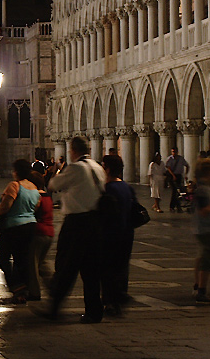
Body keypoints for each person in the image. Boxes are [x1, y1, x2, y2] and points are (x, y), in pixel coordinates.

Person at [35, 136, 106, 323]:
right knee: (91, 270)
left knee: (66, 267)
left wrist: (59, 170)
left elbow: (53, 185)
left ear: (72, 151)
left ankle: (54, 309)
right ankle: (94, 311)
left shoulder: (75, 168)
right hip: (96, 223)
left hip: (76, 224)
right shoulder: (97, 167)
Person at [0, 159, 41, 304]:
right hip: (30, 226)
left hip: (13, 227)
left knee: (2, 257)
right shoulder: (34, 187)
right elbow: (37, 206)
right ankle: (22, 290)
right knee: (21, 260)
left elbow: (6, 204)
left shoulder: (14, 186)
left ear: (16, 171)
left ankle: (17, 288)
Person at [97, 154, 135, 317]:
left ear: (108, 169)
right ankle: (119, 296)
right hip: (127, 234)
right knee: (121, 267)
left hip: (110, 235)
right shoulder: (127, 187)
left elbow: (102, 214)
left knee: (107, 269)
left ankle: (111, 301)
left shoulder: (108, 189)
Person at [191, 158, 210, 304]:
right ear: (209, 173)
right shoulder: (203, 190)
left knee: (206, 261)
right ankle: (202, 292)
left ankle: (202, 291)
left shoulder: (209, 189)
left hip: (209, 230)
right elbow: (204, 211)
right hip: (205, 231)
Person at [27, 174, 54, 302]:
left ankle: (34, 292)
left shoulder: (36, 197)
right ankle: (55, 287)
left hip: (38, 232)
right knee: (42, 263)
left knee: (32, 265)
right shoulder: (47, 196)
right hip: (49, 231)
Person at [166, 147, 190, 213]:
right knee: (174, 191)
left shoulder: (181, 158)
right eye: (172, 152)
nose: (173, 153)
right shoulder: (170, 159)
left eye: (174, 151)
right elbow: (168, 168)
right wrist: (173, 175)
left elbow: (187, 165)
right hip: (172, 176)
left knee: (178, 192)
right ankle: (173, 206)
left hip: (179, 176)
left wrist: (185, 174)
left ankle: (176, 207)